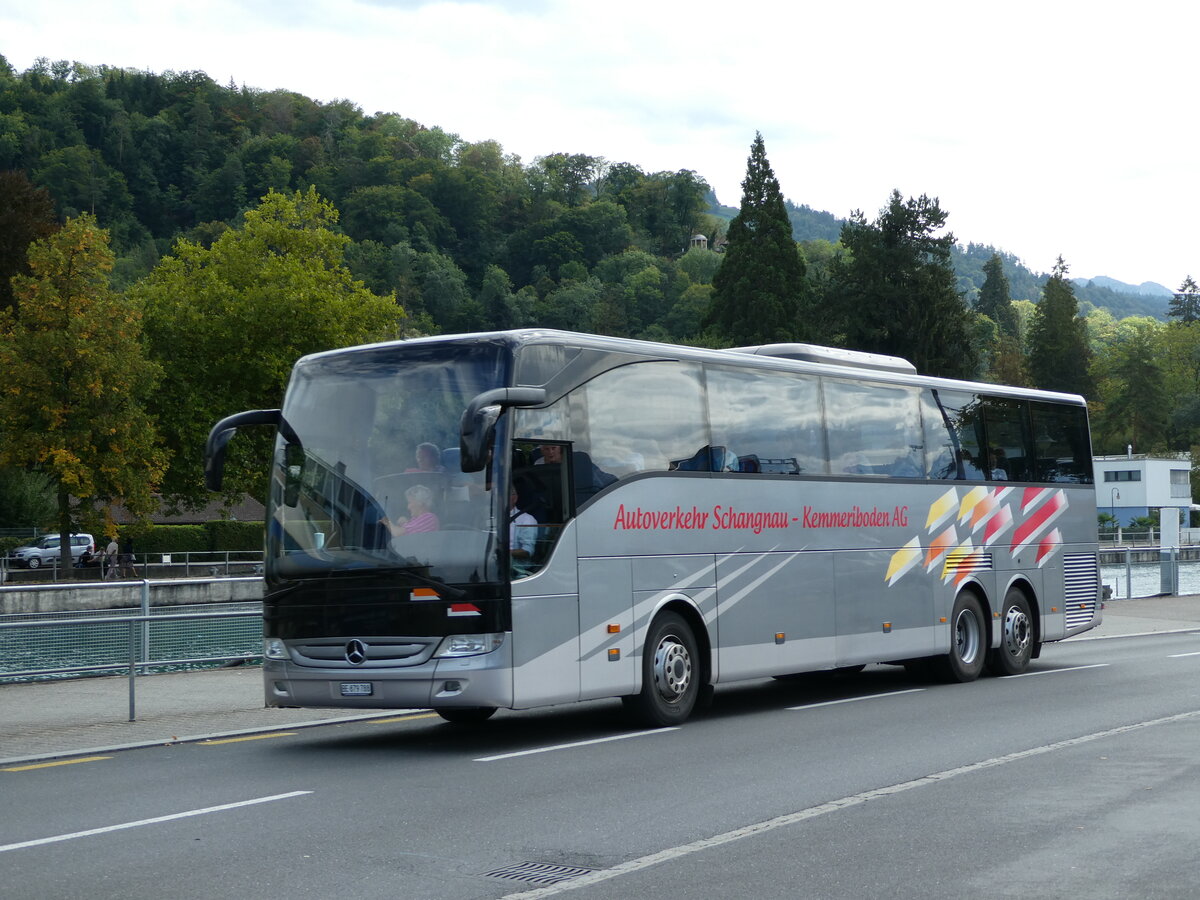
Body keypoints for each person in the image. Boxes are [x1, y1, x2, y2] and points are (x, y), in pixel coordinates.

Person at [508, 486, 538, 574]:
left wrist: (504, 552)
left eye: (501, 496)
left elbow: (527, 551)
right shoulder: (491, 518)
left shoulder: (526, 519)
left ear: (514, 498)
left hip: (517, 570)